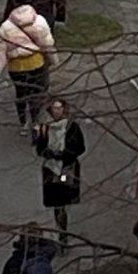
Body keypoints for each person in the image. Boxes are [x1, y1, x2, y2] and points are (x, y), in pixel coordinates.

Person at [33, 94, 85, 235]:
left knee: (62, 203)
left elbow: (80, 148)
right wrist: (46, 151)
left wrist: (63, 154)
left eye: (59, 108)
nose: (57, 111)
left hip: (67, 167)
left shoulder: (71, 127)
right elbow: (39, 150)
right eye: (54, 108)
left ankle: (62, 232)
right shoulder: (45, 127)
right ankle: (61, 230)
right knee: (57, 204)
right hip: (51, 169)